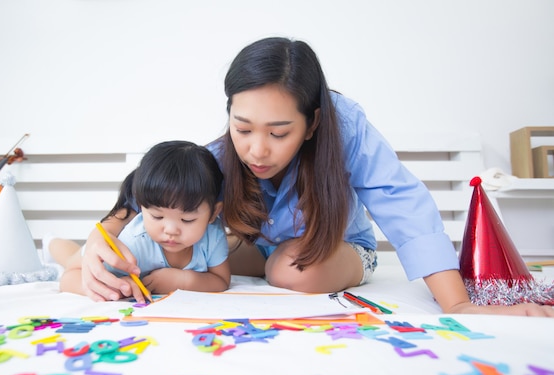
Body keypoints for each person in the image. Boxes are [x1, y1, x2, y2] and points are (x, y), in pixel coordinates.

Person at [78, 37, 553, 317]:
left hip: (341, 252)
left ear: (314, 122)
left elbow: (400, 201)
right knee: (172, 243)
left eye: (279, 132)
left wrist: (458, 306)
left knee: (286, 268)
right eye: (242, 128)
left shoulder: (345, 126)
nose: (256, 150)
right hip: (260, 252)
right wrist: (103, 235)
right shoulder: (222, 154)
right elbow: (159, 184)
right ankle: (62, 253)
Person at [53, 140, 231, 302]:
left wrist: (183, 280)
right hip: (94, 253)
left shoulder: (213, 235)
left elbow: (221, 280)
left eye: (187, 219)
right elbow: (70, 277)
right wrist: (114, 286)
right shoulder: (131, 244)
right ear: (140, 206)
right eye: (157, 216)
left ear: (214, 213)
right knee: (70, 259)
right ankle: (53, 243)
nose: (170, 230)